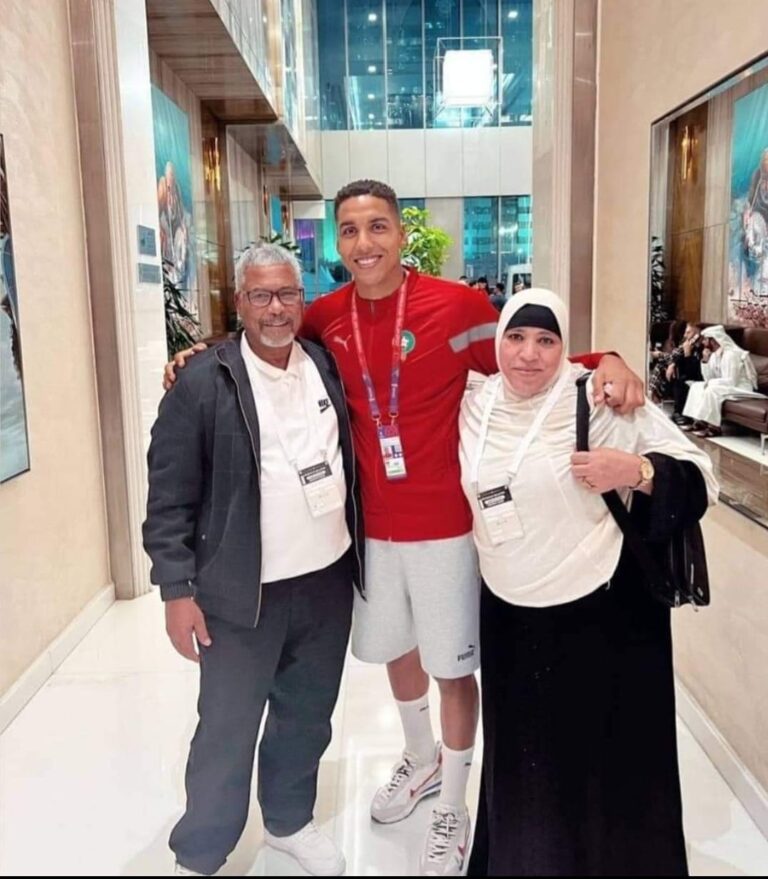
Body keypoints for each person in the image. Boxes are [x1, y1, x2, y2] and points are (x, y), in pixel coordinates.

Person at [163, 179, 644, 877]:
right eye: (350, 230)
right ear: (338, 240)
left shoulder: (458, 305)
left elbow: (529, 359)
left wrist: (609, 360)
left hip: (446, 527)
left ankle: (452, 802)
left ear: (400, 232)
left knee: (452, 666)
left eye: (378, 227)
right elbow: (262, 335)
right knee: (395, 650)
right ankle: (420, 758)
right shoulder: (325, 315)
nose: (364, 243)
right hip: (369, 536)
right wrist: (197, 353)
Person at [459, 288, 718, 877]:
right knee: (525, 766)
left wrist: (638, 471)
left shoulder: (600, 401)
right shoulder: (474, 402)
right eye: (516, 338)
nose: (529, 354)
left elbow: (702, 478)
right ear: (498, 341)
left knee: (602, 767)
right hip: (509, 614)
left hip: (601, 615)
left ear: (564, 347)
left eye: (546, 340)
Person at [143, 243, 364, 877]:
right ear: (239, 302)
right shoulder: (201, 382)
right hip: (241, 592)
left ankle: (289, 822)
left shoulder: (324, 364)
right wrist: (176, 589)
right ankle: (200, 853)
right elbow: (168, 497)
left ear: (303, 299)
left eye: (287, 294)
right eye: (261, 295)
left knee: (306, 714)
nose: (276, 308)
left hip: (325, 582)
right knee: (227, 727)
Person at [682, 325, 762, 437]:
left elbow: (731, 380)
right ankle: (698, 421)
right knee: (696, 386)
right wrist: (705, 361)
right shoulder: (714, 355)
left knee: (712, 390)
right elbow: (708, 379)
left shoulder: (732, 354)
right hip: (726, 386)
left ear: (713, 340)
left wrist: (710, 383)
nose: (703, 342)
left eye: (705, 339)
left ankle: (714, 427)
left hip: (740, 387)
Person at [648, 321, 704, 422]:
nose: (685, 335)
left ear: (697, 334)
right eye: (685, 332)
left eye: (688, 332)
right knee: (662, 365)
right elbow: (674, 356)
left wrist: (687, 355)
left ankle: (654, 395)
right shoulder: (687, 345)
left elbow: (693, 370)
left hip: (697, 376)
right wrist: (672, 363)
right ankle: (652, 393)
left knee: (679, 380)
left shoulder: (700, 348)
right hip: (683, 373)